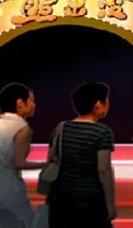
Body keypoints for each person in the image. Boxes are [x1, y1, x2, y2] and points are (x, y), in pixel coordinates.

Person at [48, 82, 116, 228]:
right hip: (91, 200)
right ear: (98, 104)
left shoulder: (61, 128)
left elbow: (52, 158)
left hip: (62, 199)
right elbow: (103, 170)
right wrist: (110, 203)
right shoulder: (102, 132)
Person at [0, 82, 46, 227]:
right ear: (20, 103)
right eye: (31, 100)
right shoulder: (22, 127)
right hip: (11, 188)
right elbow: (19, 163)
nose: (34, 105)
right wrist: (46, 164)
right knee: (27, 223)